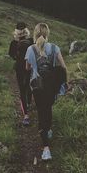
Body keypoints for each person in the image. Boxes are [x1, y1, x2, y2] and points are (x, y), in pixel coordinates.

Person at [25, 23, 68, 160]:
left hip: (38, 87)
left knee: (42, 112)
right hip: (51, 86)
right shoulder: (55, 48)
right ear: (47, 33)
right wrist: (65, 83)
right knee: (48, 108)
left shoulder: (31, 49)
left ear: (35, 34)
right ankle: (48, 130)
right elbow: (63, 67)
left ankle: (46, 149)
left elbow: (27, 68)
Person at [9, 22, 33, 126]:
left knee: (22, 89)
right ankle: (28, 103)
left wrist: (17, 57)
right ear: (26, 31)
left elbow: (11, 55)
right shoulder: (31, 41)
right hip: (30, 67)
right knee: (29, 86)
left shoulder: (14, 43)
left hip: (19, 67)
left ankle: (26, 116)